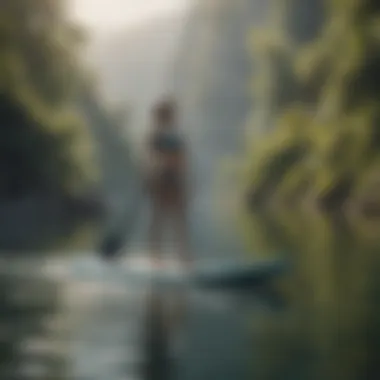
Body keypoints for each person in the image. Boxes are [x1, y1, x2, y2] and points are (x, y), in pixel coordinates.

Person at [144, 99, 191, 268]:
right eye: (165, 116)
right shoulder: (155, 138)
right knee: (159, 220)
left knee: (179, 220)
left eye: (169, 116)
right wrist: (151, 180)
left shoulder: (176, 139)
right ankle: (155, 259)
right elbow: (150, 160)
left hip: (175, 181)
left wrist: (185, 184)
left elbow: (183, 162)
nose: (168, 119)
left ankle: (184, 259)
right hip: (161, 181)